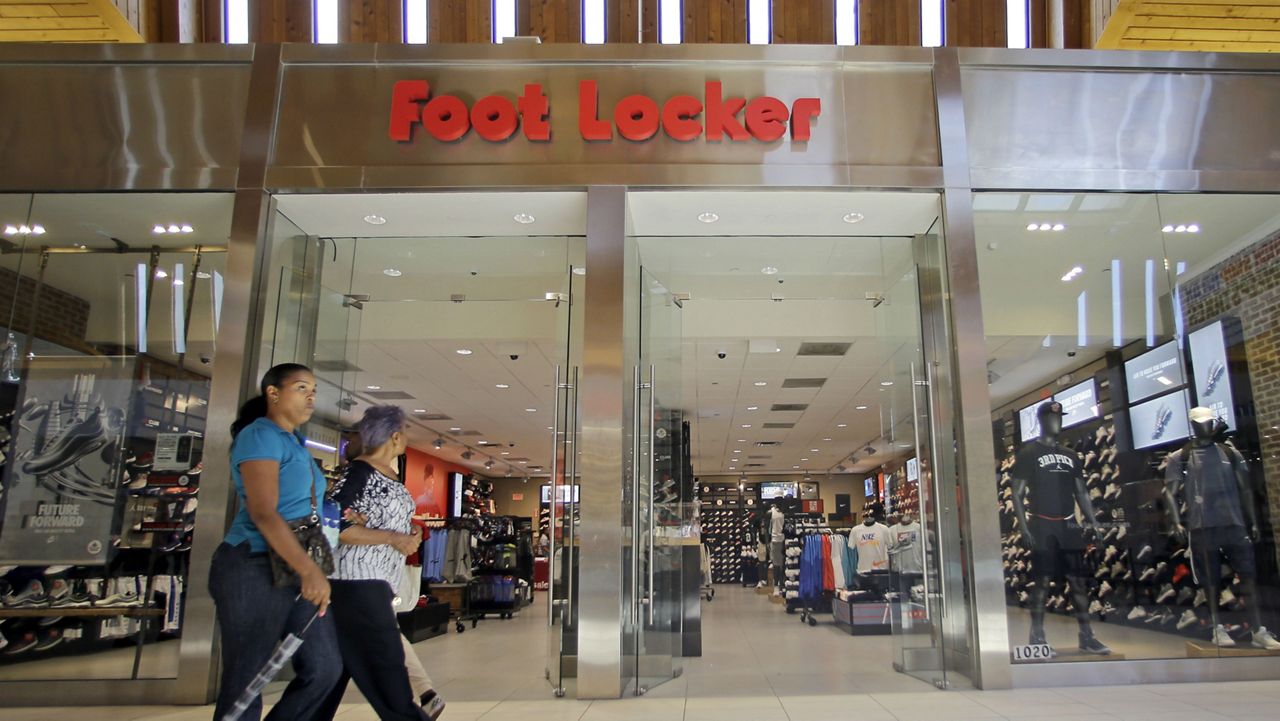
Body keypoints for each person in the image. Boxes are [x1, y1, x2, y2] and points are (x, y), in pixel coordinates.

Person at [209, 363, 342, 721]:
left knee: (325, 667)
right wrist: (309, 569)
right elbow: (263, 511)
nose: (311, 396)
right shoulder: (259, 435)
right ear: (273, 393)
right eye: (301, 388)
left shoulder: (295, 443)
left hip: (296, 564)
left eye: (313, 390)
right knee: (248, 679)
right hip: (253, 563)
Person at [321, 405, 444, 721]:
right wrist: (392, 537)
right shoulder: (359, 472)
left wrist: (408, 534)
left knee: (329, 679)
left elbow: (377, 523)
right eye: (404, 432)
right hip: (356, 582)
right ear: (395, 435)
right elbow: (335, 525)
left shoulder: (386, 473)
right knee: (388, 673)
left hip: (375, 584)